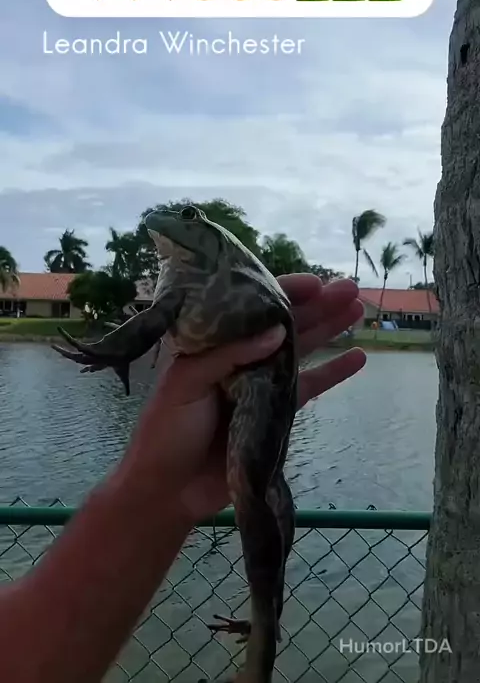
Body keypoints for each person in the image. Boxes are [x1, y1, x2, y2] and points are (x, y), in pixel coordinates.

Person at [0, 274, 366, 682]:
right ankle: (262, 641)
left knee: (268, 521)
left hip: (255, 448)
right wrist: (162, 492)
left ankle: (262, 640)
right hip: (245, 445)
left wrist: (163, 495)